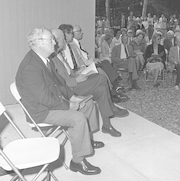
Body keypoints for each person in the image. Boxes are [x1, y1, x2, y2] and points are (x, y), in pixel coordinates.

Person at [16, 28, 102, 175]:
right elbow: (44, 99)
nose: (55, 42)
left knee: (87, 103)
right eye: (51, 39)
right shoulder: (31, 67)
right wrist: (68, 105)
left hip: (50, 102)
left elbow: (60, 82)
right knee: (78, 118)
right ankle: (78, 161)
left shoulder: (43, 59)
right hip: (41, 111)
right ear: (37, 43)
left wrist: (71, 96)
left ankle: (86, 139)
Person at [51, 29, 128, 137]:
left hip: (73, 80)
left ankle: (106, 125)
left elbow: (67, 72)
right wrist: (75, 80)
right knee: (101, 78)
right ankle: (111, 107)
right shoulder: (51, 58)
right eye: (63, 39)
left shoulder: (58, 54)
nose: (66, 41)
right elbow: (58, 82)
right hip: (70, 89)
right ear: (57, 41)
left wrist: (76, 74)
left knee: (101, 89)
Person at [58, 24, 121, 98]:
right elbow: (66, 69)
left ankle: (112, 90)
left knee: (102, 68)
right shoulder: (60, 50)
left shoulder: (72, 46)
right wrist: (78, 71)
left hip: (80, 69)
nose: (73, 35)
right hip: (74, 74)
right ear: (65, 34)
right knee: (100, 72)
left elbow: (80, 59)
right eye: (71, 33)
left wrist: (82, 67)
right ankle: (112, 92)